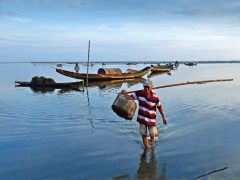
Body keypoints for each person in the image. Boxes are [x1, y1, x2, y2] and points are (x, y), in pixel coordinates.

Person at [122, 79, 167, 149]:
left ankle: (152, 143)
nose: (146, 89)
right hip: (142, 119)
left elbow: (159, 107)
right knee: (143, 134)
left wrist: (163, 117)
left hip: (151, 120)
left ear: (151, 88)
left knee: (152, 135)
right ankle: (146, 148)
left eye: (148, 87)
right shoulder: (139, 94)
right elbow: (129, 98)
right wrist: (125, 93)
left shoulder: (155, 97)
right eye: (145, 87)